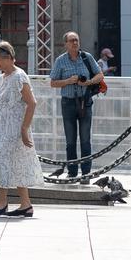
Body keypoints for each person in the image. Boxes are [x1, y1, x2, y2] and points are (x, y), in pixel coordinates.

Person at [0, 41, 37, 217]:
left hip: (15, 129)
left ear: (8, 58)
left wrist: (24, 129)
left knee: (7, 162)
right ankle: (25, 204)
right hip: (3, 129)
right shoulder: (2, 78)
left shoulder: (19, 76)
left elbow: (31, 103)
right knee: (14, 164)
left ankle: (2, 202)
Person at [47, 30, 100, 180]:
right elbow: (52, 83)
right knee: (70, 139)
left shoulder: (86, 57)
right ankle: (72, 171)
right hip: (68, 102)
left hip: (85, 101)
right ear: (66, 44)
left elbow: (100, 75)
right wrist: (68, 81)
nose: (75, 43)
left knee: (85, 138)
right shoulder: (60, 60)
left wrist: (88, 82)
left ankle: (86, 172)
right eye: (71, 40)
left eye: (76, 40)